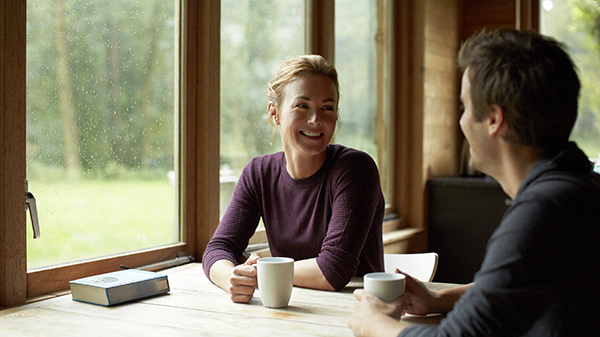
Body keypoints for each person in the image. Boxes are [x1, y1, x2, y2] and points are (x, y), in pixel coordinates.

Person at [349, 29, 600, 336]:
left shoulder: (545, 210)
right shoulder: (578, 188)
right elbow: (519, 286)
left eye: (465, 108)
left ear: (494, 119)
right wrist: (439, 298)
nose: (462, 121)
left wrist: (373, 323)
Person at [203, 54, 385, 303]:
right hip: (289, 308)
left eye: (327, 108)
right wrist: (231, 279)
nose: (316, 120)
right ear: (275, 113)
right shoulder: (258, 173)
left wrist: (263, 271)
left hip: (357, 313)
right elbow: (218, 249)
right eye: (302, 105)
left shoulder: (355, 169)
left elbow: (333, 270)